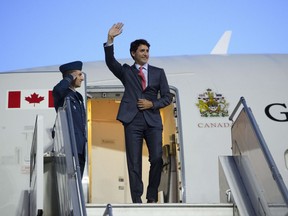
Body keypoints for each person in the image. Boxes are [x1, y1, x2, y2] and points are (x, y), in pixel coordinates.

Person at [104, 22, 173, 203]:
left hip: (153, 121)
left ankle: (151, 196)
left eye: (147, 51)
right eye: (142, 51)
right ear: (133, 53)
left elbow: (168, 97)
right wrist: (110, 39)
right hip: (132, 121)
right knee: (134, 162)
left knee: (157, 158)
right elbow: (111, 62)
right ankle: (137, 200)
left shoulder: (159, 73)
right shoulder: (126, 72)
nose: (146, 54)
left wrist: (152, 104)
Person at [52, 61, 87, 178]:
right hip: (69, 146)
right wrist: (70, 77)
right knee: (69, 183)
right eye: (80, 75)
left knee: (77, 183)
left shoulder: (78, 96)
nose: (82, 78)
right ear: (71, 76)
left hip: (80, 146)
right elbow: (57, 90)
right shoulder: (63, 95)